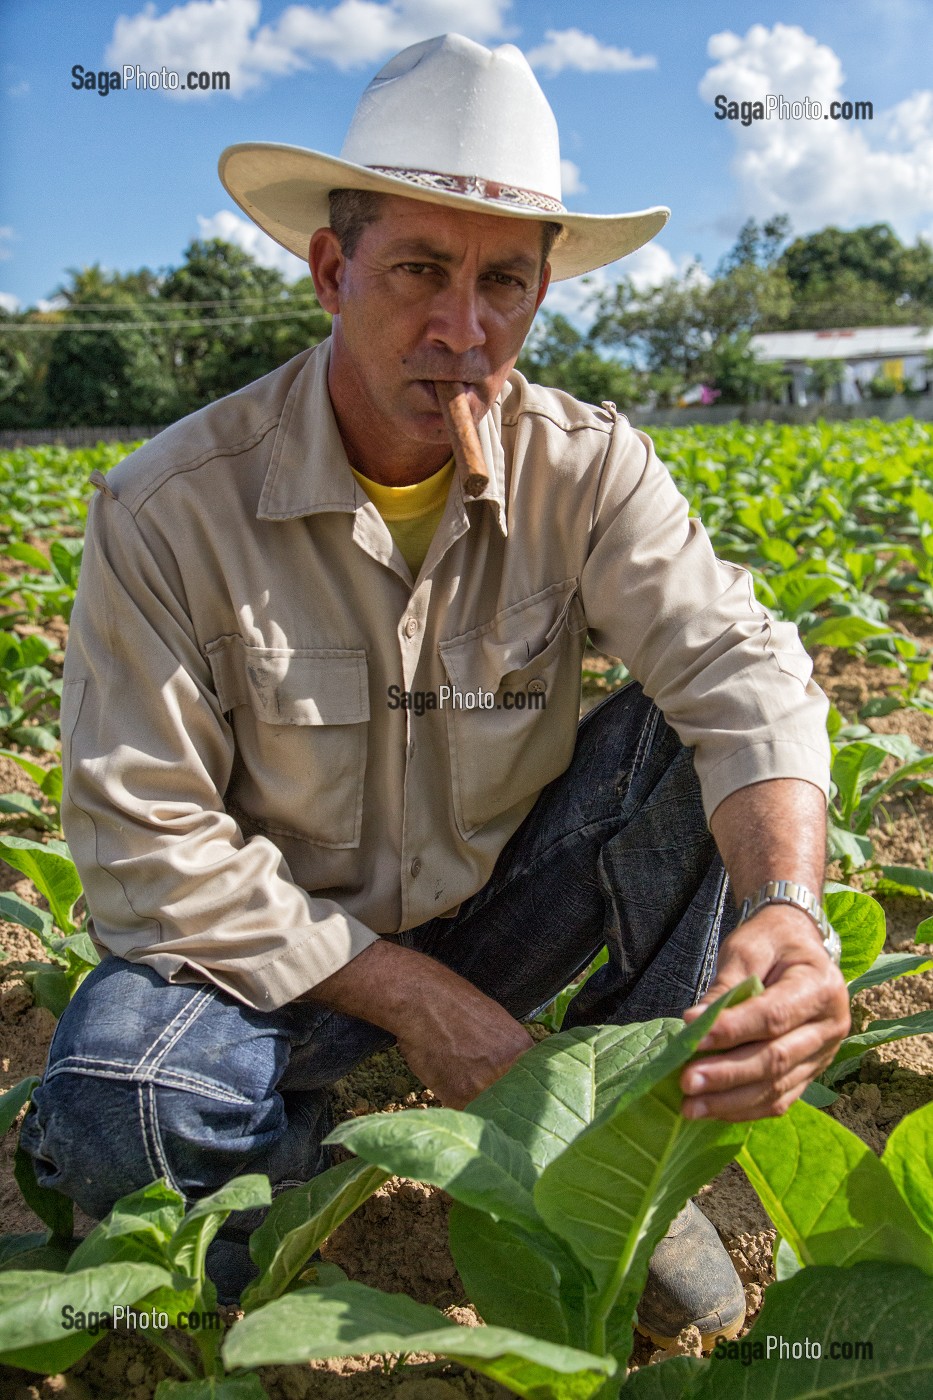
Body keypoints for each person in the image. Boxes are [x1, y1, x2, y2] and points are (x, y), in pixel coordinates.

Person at [21, 34, 849, 1346]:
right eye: (418, 271)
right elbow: (144, 846)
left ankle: (607, 1133)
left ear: (536, 297)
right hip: (265, 964)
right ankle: (269, 1195)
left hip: (499, 908)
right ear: (331, 270)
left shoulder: (587, 468)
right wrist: (423, 1009)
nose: (464, 330)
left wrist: (791, 909)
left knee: (692, 748)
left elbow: (735, 669)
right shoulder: (171, 506)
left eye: (503, 284)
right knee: (124, 1099)